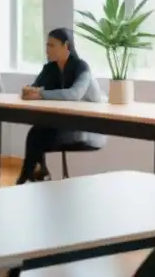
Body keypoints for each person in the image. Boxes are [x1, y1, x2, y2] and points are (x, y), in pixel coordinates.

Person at [17, 28, 105, 184]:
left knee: (37, 136)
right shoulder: (50, 68)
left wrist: (40, 94)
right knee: (36, 132)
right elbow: (32, 89)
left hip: (90, 127)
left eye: (51, 45)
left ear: (66, 46)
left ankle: (28, 178)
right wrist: (27, 90)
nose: (46, 49)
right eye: (46, 45)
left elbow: (74, 94)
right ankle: (33, 174)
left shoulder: (81, 66)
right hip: (67, 122)